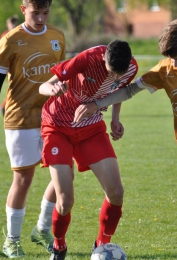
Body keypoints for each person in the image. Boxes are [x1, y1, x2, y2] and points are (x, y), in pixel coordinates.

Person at [74, 19, 177, 260]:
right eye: (172, 58)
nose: (175, 63)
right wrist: (96, 104)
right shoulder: (165, 69)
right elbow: (129, 90)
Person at [38, 39, 138, 260]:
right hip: (57, 126)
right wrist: (52, 89)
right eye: (112, 72)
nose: (115, 78)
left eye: (119, 74)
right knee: (65, 201)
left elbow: (119, 91)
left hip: (91, 127)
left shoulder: (130, 68)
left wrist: (115, 119)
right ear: (103, 59)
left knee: (116, 193)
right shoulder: (87, 58)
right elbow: (43, 86)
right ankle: (59, 246)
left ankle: (102, 245)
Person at [0, 0, 66, 258]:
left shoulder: (57, 36)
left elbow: (64, 75)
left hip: (53, 118)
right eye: (35, 13)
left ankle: (42, 228)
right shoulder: (10, 39)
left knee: (64, 176)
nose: (41, 18)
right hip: (20, 119)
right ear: (23, 10)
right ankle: (11, 240)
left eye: (45, 13)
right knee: (24, 179)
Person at [0, 15, 19, 116]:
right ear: (8, 24)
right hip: (8, 66)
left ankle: (5, 106)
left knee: (16, 87)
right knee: (14, 87)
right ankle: (4, 106)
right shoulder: (5, 35)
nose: (14, 25)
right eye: (12, 23)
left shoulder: (18, 34)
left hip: (17, 65)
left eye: (15, 23)